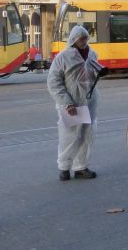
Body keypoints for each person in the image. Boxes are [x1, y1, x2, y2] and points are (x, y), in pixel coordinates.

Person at [47, 26, 103, 181]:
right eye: (81, 39)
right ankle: (64, 168)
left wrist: (99, 73)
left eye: (85, 38)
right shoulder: (63, 57)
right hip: (73, 102)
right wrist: (66, 103)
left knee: (87, 135)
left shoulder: (92, 54)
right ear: (74, 40)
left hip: (89, 100)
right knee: (70, 136)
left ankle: (81, 167)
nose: (84, 41)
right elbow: (54, 82)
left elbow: (91, 75)